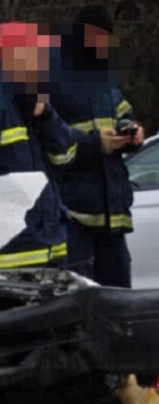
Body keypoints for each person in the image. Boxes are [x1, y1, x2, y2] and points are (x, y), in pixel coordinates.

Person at [0, 22, 77, 270]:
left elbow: (66, 156)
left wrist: (46, 118)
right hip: (12, 263)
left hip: (52, 255)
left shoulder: (37, 107)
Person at [50, 3, 145, 287]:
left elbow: (123, 116)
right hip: (75, 218)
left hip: (112, 220)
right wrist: (96, 145)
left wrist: (132, 134)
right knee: (82, 305)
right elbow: (51, 141)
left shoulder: (107, 83)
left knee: (118, 306)